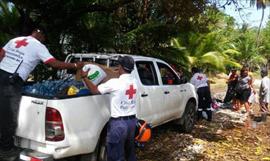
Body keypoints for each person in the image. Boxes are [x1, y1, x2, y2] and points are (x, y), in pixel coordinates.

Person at [0, 28, 83, 157]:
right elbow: (52, 63)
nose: (44, 40)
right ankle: (6, 148)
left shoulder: (15, 40)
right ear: (41, 36)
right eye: (44, 38)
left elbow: (1, 54)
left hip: (1, 74)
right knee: (8, 114)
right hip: (11, 80)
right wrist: (75, 66)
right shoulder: (38, 46)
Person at [81, 56, 138, 161]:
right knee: (130, 153)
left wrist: (85, 77)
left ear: (120, 67)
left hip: (118, 124)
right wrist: (118, 73)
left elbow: (95, 91)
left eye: (118, 66)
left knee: (116, 155)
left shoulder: (114, 83)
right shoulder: (135, 82)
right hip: (132, 122)